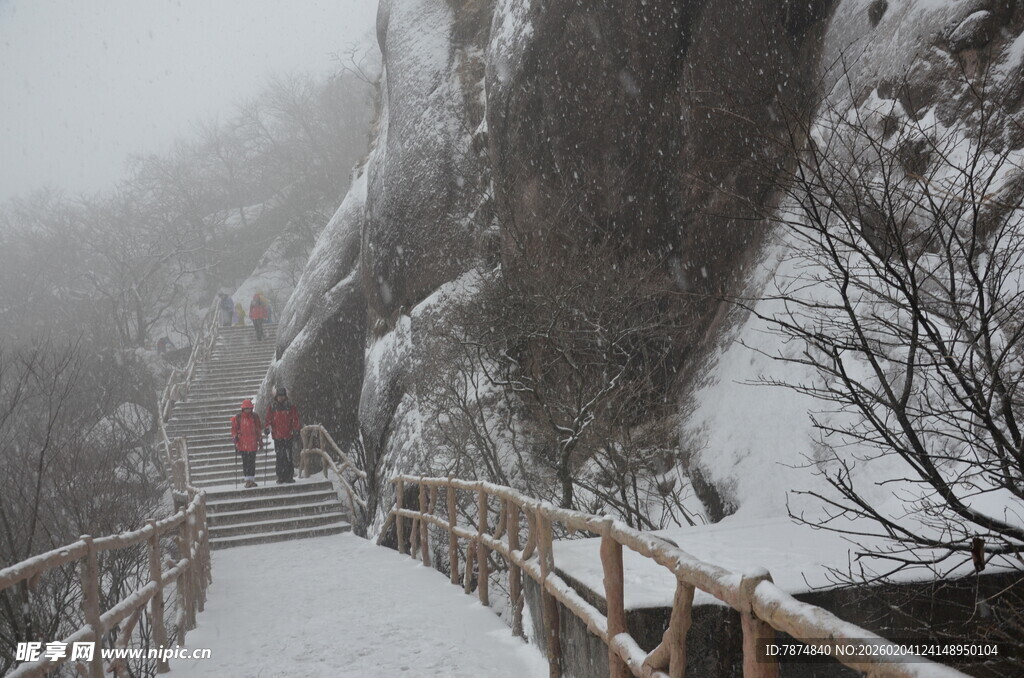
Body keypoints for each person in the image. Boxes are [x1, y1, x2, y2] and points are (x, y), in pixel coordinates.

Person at [264, 387, 301, 484]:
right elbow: (268, 419)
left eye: (282, 396)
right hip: (277, 436)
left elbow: (295, 419)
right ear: (276, 397)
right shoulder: (272, 407)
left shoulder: (290, 406)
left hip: (288, 435)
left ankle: (289, 476)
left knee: (288, 456)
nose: (281, 398)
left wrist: (296, 430)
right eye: (279, 396)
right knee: (280, 457)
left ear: (285, 396)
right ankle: (281, 476)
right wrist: (267, 427)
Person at [231, 399, 263, 488]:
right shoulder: (239, 418)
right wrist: (235, 437)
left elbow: (258, 430)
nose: (247, 410)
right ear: (243, 409)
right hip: (243, 444)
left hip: (252, 444)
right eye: (246, 408)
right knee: (246, 463)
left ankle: (251, 480)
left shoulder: (255, 417)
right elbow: (234, 429)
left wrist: (260, 441)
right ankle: (247, 480)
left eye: (249, 408)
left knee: (252, 463)